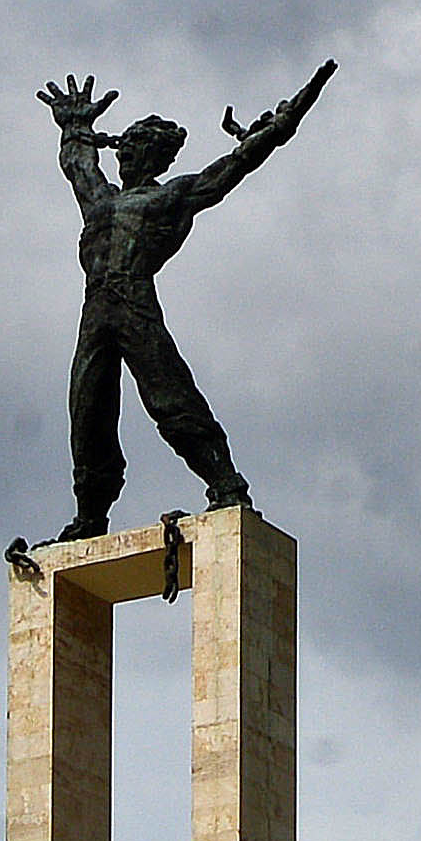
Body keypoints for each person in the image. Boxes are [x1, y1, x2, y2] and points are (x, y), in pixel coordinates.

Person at [29, 61, 332, 540]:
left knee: (171, 398)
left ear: (154, 157)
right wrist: (75, 127)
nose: (125, 154)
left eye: (135, 147)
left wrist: (281, 124)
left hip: (133, 301)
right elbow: (78, 165)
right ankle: (90, 517)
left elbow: (234, 166)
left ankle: (226, 485)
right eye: (125, 146)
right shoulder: (101, 201)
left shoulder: (171, 197)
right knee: (87, 414)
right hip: (96, 313)